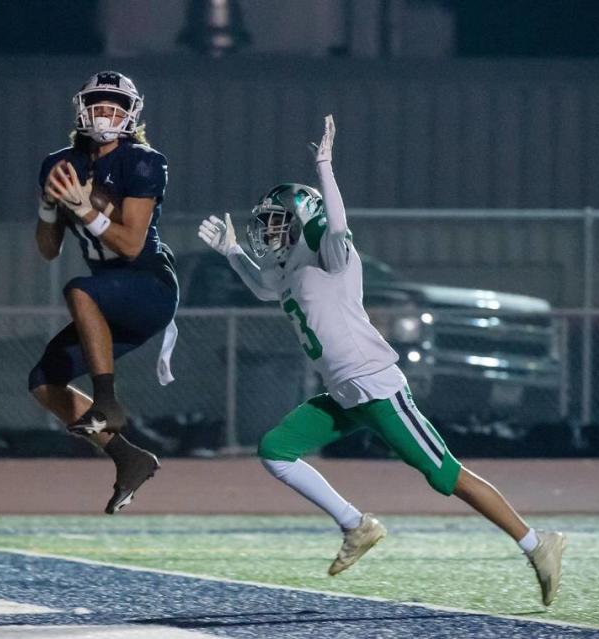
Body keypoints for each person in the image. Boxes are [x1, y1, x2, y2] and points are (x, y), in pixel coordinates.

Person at [197, 115, 566, 606]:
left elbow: (339, 225)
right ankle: (357, 525)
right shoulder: (287, 270)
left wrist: (325, 167)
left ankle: (537, 544)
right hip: (344, 394)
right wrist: (233, 252)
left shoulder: (332, 254)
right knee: (276, 450)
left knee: (445, 475)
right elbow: (265, 288)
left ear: (304, 219)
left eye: (277, 222)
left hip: (376, 388)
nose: (268, 232)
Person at [30, 70, 179, 514]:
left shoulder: (144, 161)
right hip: (107, 293)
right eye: (97, 105)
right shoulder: (60, 163)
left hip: (148, 283)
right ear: (81, 109)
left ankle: (107, 403)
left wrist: (84, 207)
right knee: (43, 380)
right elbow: (47, 248)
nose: (105, 113)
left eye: (115, 106)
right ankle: (127, 457)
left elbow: (132, 244)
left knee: (79, 290)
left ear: (131, 114)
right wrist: (48, 206)